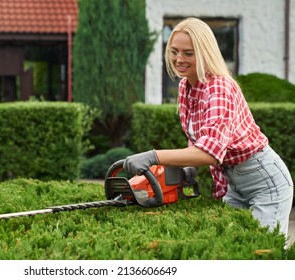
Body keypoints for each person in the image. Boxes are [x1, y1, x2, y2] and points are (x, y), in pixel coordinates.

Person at [123, 17, 294, 239]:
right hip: (235, 184)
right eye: (174, 51)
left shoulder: (219, 88)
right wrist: (190, 167)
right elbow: (200, 139)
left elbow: (210, 153)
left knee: (261, 251)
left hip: (265, 183)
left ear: (204, 53)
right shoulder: (186, 85)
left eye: (188, 53)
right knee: (230, 246)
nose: (179, 59)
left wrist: (154, 156)